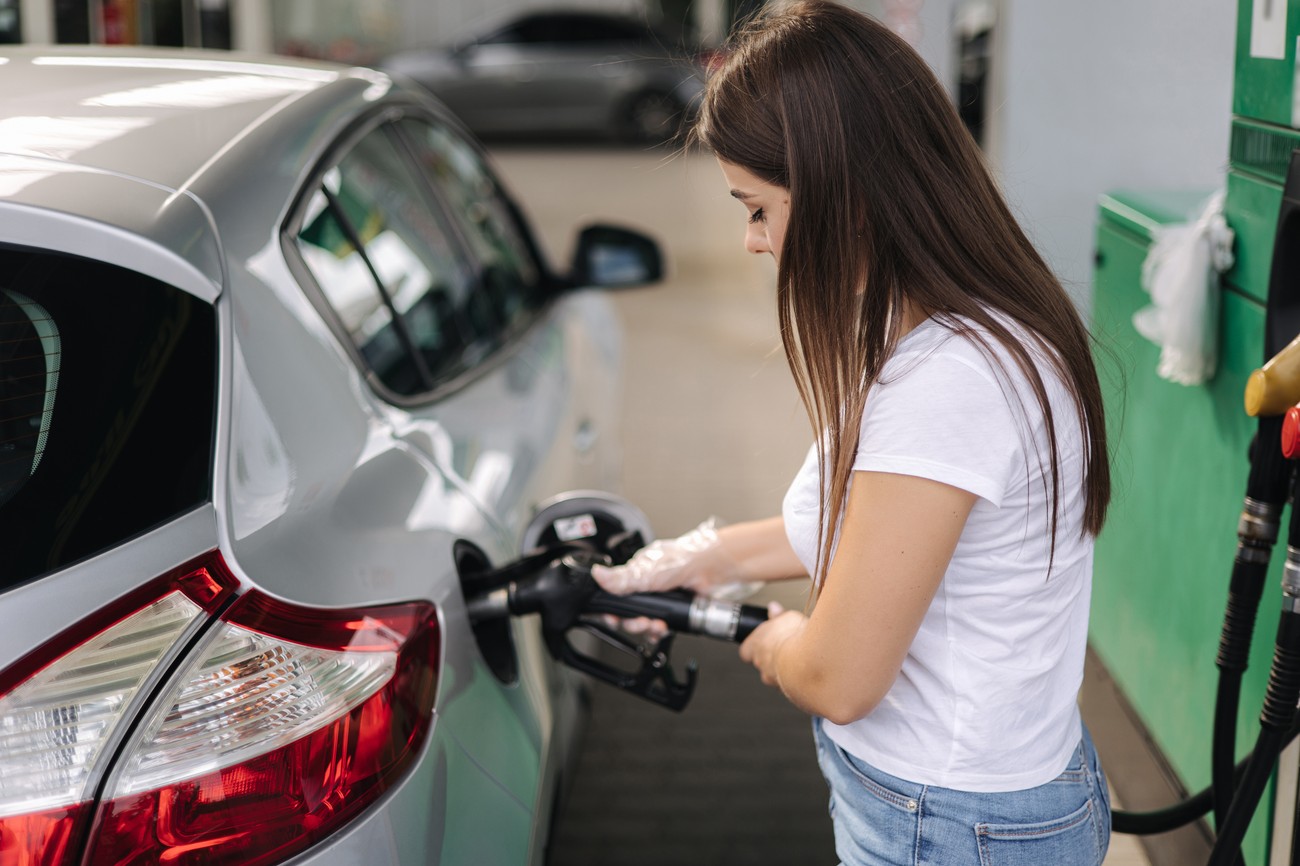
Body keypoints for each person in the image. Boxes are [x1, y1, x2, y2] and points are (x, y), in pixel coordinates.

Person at [591, 2, 1113, 864]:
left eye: (757, 209)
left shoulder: (946, 379)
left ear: (848, 198)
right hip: (974, 801)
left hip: (947, 822)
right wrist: (701, 559)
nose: (751, 240)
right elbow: (877, 532)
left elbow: (840, 678)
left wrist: (765, 633)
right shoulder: (958, 323)